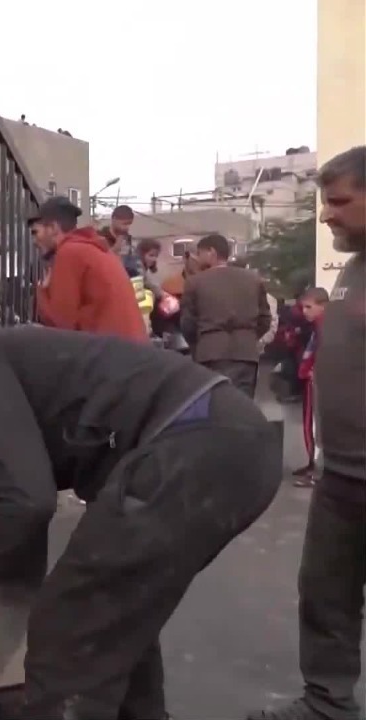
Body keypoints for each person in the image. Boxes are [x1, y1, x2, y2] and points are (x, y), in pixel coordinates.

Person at [0, 326, 281, 720]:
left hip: (194, 442)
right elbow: (24, 549)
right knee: (111, 621)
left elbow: (28, 503)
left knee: (68, 632)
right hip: (232, 446)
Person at [248, 145, 366, 720]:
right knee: (326, 595)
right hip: (342, 471)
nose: (326, 215)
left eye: (339, 202)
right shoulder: (353, 264)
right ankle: (326, 705)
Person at [30, 196, 148, 342]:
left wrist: (41, 291)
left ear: (53, 228)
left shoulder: (69, 252)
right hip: (130, 350)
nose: (34, 241)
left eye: (36, 232)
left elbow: (61, 326)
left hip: (112, 357)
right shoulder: (93, 249)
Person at [179, 233, 272, 398]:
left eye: (200, 254)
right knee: (243, 405)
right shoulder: (253, 279)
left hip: (210, 353)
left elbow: (188, 324)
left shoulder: (195, 282)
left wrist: (199, 344)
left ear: (211, 253)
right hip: (246, 354)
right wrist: (249, 336)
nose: (198, 259)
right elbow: (265, 318)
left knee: (216, 405)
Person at [292, 287, 328, 488]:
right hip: (313, 377)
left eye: (309, 307)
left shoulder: (324, 327)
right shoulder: (318, 325)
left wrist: (313, 370)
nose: (304, 311)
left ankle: (316, 470)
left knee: (313, 425)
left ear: (322, 306)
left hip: (316, 380)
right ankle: (313, 464)